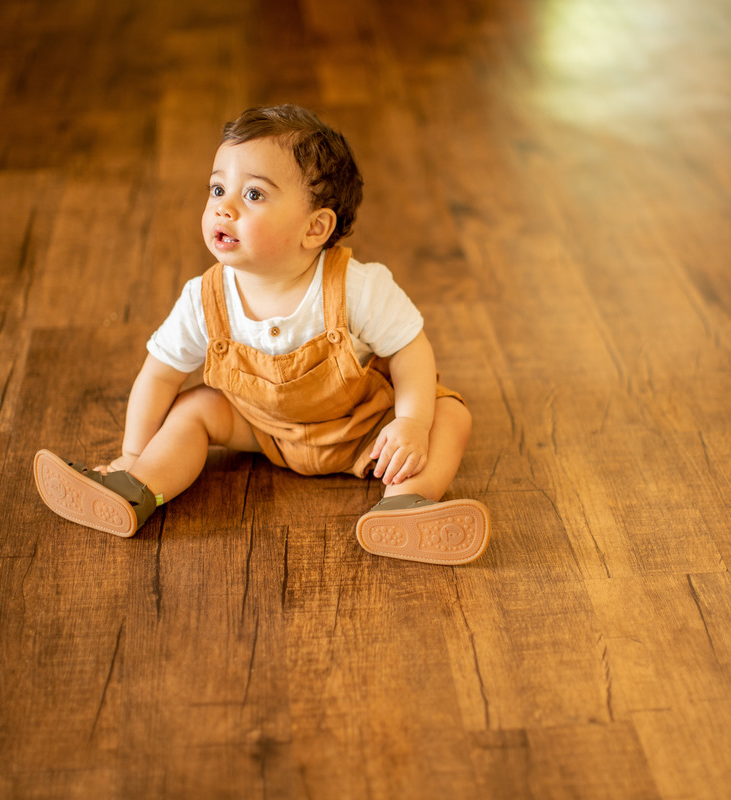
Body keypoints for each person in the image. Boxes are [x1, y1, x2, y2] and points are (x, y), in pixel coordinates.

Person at [33, 105, 489, 565]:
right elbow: (158, 377)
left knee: (448, 414)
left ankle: (405, 504)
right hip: (263, 429)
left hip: (363, 427)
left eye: (252, 194)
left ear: (316, 228)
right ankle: (135, 486)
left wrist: (410, 422)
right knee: (193, 408)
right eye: (217, 189)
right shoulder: (203, 299)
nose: (223, 206)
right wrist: (132, 452)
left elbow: (410, 351)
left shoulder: (357, 287)